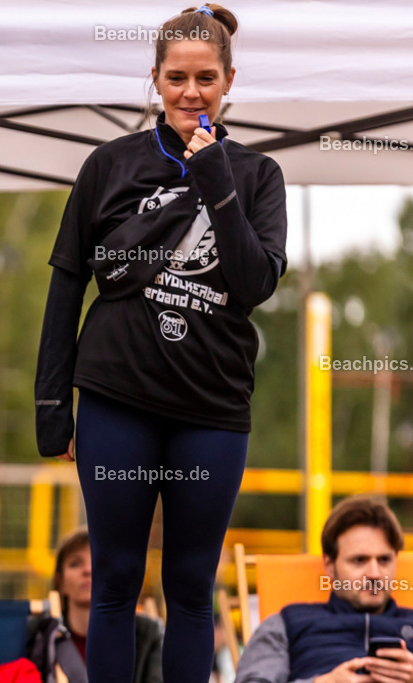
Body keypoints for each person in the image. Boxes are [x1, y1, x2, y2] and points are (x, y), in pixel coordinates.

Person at [34, 5, 287, 681]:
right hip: (119, 397)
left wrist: (215, 181)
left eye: (206, 78)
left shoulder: (259, 175)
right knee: (115, 578)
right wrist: (51, 402)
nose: (191, 92)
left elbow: (253, 281)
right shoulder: (108, 165)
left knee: (190, 586)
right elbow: (66, 284)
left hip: (212, 408)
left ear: (229, 80)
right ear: (154, 78)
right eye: (177, 77)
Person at [236, 495, 413, 682]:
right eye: (359, 560)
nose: (375, 574)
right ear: (329, 565)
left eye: (384, 560)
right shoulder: (288, 624)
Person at [50, 530, 163, 683]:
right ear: (59, 581)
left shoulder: (149, 634)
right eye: (75, 563)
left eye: (99, 562)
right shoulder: (40, 635)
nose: (88, 570)